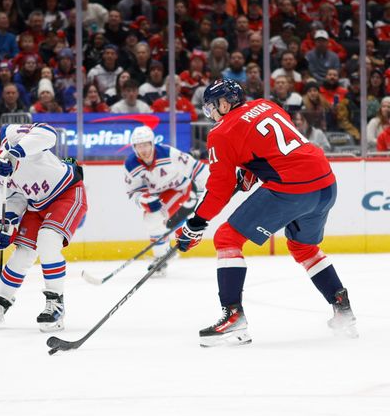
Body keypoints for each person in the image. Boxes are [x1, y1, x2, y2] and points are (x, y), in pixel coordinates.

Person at [175, 80, 357, 347]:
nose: (212, 113)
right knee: (303, 247)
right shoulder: (266, 105)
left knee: (227, 238)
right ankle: (342, 309)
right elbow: (273, 146)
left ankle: (233, 319)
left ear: (225, 104)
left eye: (213, 107)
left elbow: (220, 188)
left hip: (293, 188)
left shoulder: (221, 132)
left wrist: (196, 223)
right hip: (326, 182)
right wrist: (250, 172)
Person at [0, 111, 88, 332]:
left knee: (48, 241)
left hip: (66, 192)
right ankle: (1, 302)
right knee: (22, 253)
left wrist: (14, 153)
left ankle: (56, 303)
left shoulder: (12, 135)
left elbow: (48, 134)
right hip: (36, 204)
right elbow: (14, 196)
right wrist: (8, 222)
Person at [123, 126, 208, 275]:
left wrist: (203, 196)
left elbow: (199, 169)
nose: (143, 150)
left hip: (179, 189)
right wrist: (144, 200)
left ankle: (162, 256)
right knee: (151, 220)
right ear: (134, 148)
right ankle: (163, 254)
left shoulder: (169, 154)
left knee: (153, 219)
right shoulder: (131, 164)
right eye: (139, 146)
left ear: (152, 143)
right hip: (157, 195)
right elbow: (133, 191)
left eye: (146, 145)